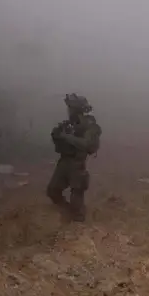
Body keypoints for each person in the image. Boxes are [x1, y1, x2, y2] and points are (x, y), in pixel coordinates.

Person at [46, 93, 102, 222]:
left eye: (71, 108)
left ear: (77, 109)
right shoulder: (69, 124)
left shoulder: (90, 125)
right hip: (64, 161)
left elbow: (87, 145)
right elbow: (59, 142)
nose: (68, 111)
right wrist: (57, 136)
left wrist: (67, 137)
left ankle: (78, 224)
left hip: (77, 163)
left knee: (76, 195)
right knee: (53, 191)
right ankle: (65, 212)